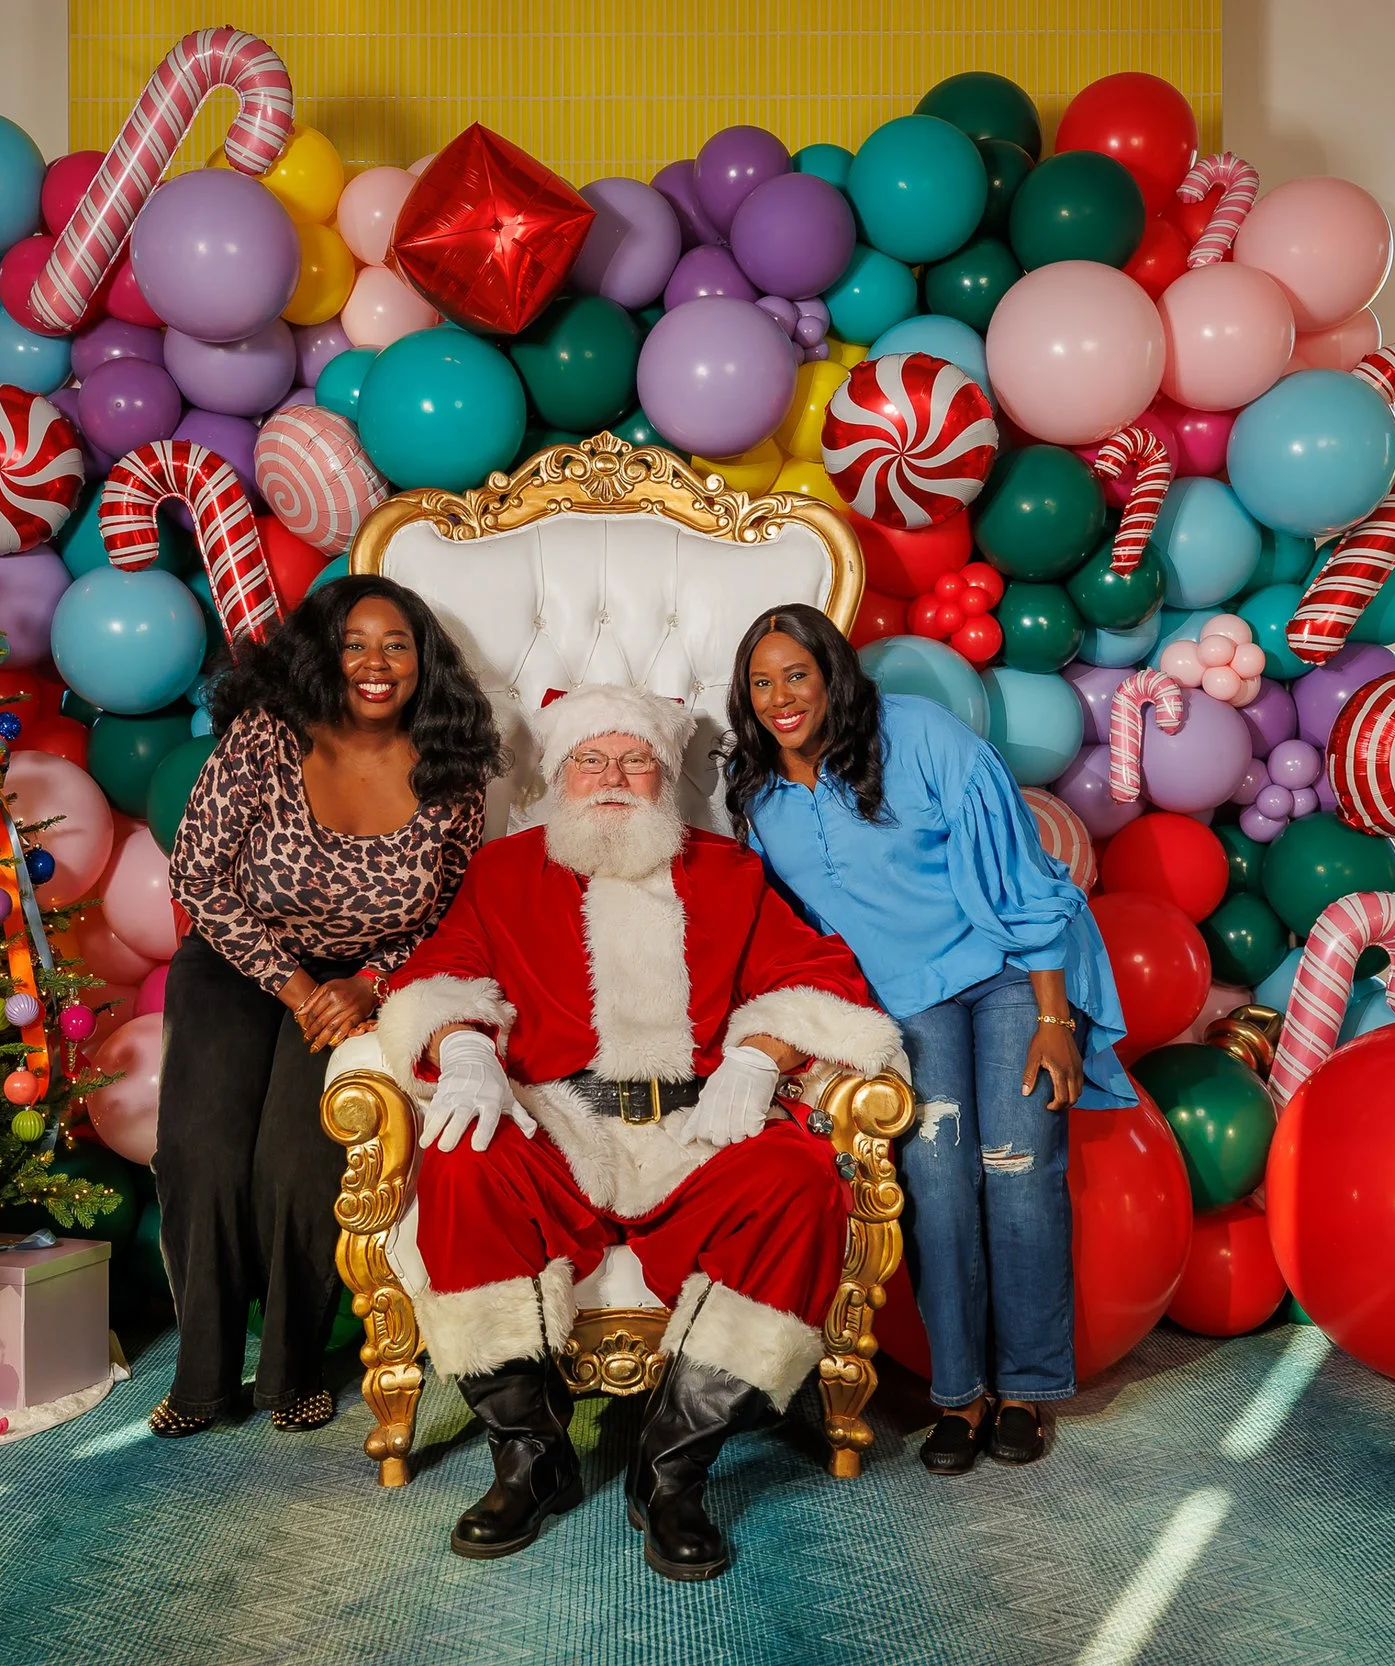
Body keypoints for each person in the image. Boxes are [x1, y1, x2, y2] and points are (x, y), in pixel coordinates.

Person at [374, 682, 899, 1582]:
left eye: (635, 761)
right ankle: (530, 1459)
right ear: (558, 774)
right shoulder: (505, 872)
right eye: (591, 759)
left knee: (801, 1181)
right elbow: (443, 972)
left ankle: (671, 1471)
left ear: (664, 776)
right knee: (461, 1161)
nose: (613, 777)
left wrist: (759, 1059)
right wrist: (462, 1050)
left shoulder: (727, 872)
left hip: (696, 1126)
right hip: (561, 1125)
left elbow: (815, 976)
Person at [723, 605, 1131, 1478]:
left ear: (833, 674)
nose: (780, 697)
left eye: (797, 674)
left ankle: (1023, 1390)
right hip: (906, 1003)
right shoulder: (755, 794)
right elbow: (793, 934)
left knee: (1017, 1169)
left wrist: (1056, 1021)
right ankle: (960, 1397)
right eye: (761, 682)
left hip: (1008, 970)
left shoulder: (919, 735)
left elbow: (1020, 875)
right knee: (937, 1182)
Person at [153, 574, 503, 1439]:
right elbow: (197, 872)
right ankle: (202, 1373)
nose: (375, 664)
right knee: (200, 1150)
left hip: (363, 980)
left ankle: (295, 1366)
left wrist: (370, 982)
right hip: (241, 961)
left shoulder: (451, 765)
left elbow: (455, 909)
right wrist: (298, 985)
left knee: (300, 1162)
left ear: (424, 662)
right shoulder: (267, 735)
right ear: (324, 654)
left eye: (396, 645)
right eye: (355, 643)